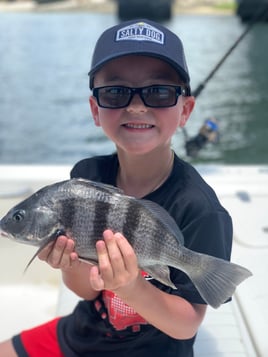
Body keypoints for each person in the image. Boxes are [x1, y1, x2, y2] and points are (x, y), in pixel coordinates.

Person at [0, 19, 233, 357]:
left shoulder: (199, 208)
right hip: (82, 333)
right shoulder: (85, 176)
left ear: (186, 110)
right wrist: (70, 264)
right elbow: (86, 291)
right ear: (95, 109)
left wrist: (130, 285)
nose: (137, 105)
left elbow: (186, 325)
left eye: (159, 91)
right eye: (115, 92)